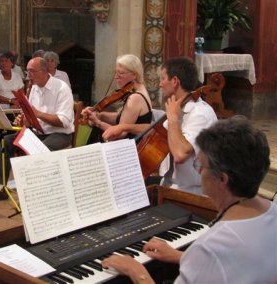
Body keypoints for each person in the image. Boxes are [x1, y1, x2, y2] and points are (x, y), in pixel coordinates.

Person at [102, 116, 277, 284]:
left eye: (200, 165)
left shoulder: (210, 247)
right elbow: (237, 264)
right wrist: (182, 256)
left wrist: (135, 270)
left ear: (222, 179)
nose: (199, 172)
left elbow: (219, 257)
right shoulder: (272, 211)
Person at [103, 57, 217, 194]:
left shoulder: (200, 114)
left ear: (175, 81)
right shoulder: (178, 108)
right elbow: (155, 133)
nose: (160, 84)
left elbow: (180, 154)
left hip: (189, 193)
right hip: (169, 184)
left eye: (163, 79)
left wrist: (173, 119)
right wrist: (124, 127)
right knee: (119, 185)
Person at [0, 57, 74, 203]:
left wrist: (37, 114)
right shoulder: (34, 88)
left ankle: (36, 193)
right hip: (38, 132)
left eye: (32, 71)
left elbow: (64, 121)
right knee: (7, 141)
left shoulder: (61, 88)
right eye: (27, 71)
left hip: (60, 134)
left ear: (44, 71)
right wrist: (24, 119)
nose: (28, 75)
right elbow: (31, 117)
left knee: (40, 149)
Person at [82, 54, 152, 142]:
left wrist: (98, 123)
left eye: (121, 73)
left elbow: (121, 134)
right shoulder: (140, 89)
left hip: (130, 147)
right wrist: (101, 115)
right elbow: (124, 117)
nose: (116, 77)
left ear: (134, 75)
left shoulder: (135, 98)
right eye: (116, 73)